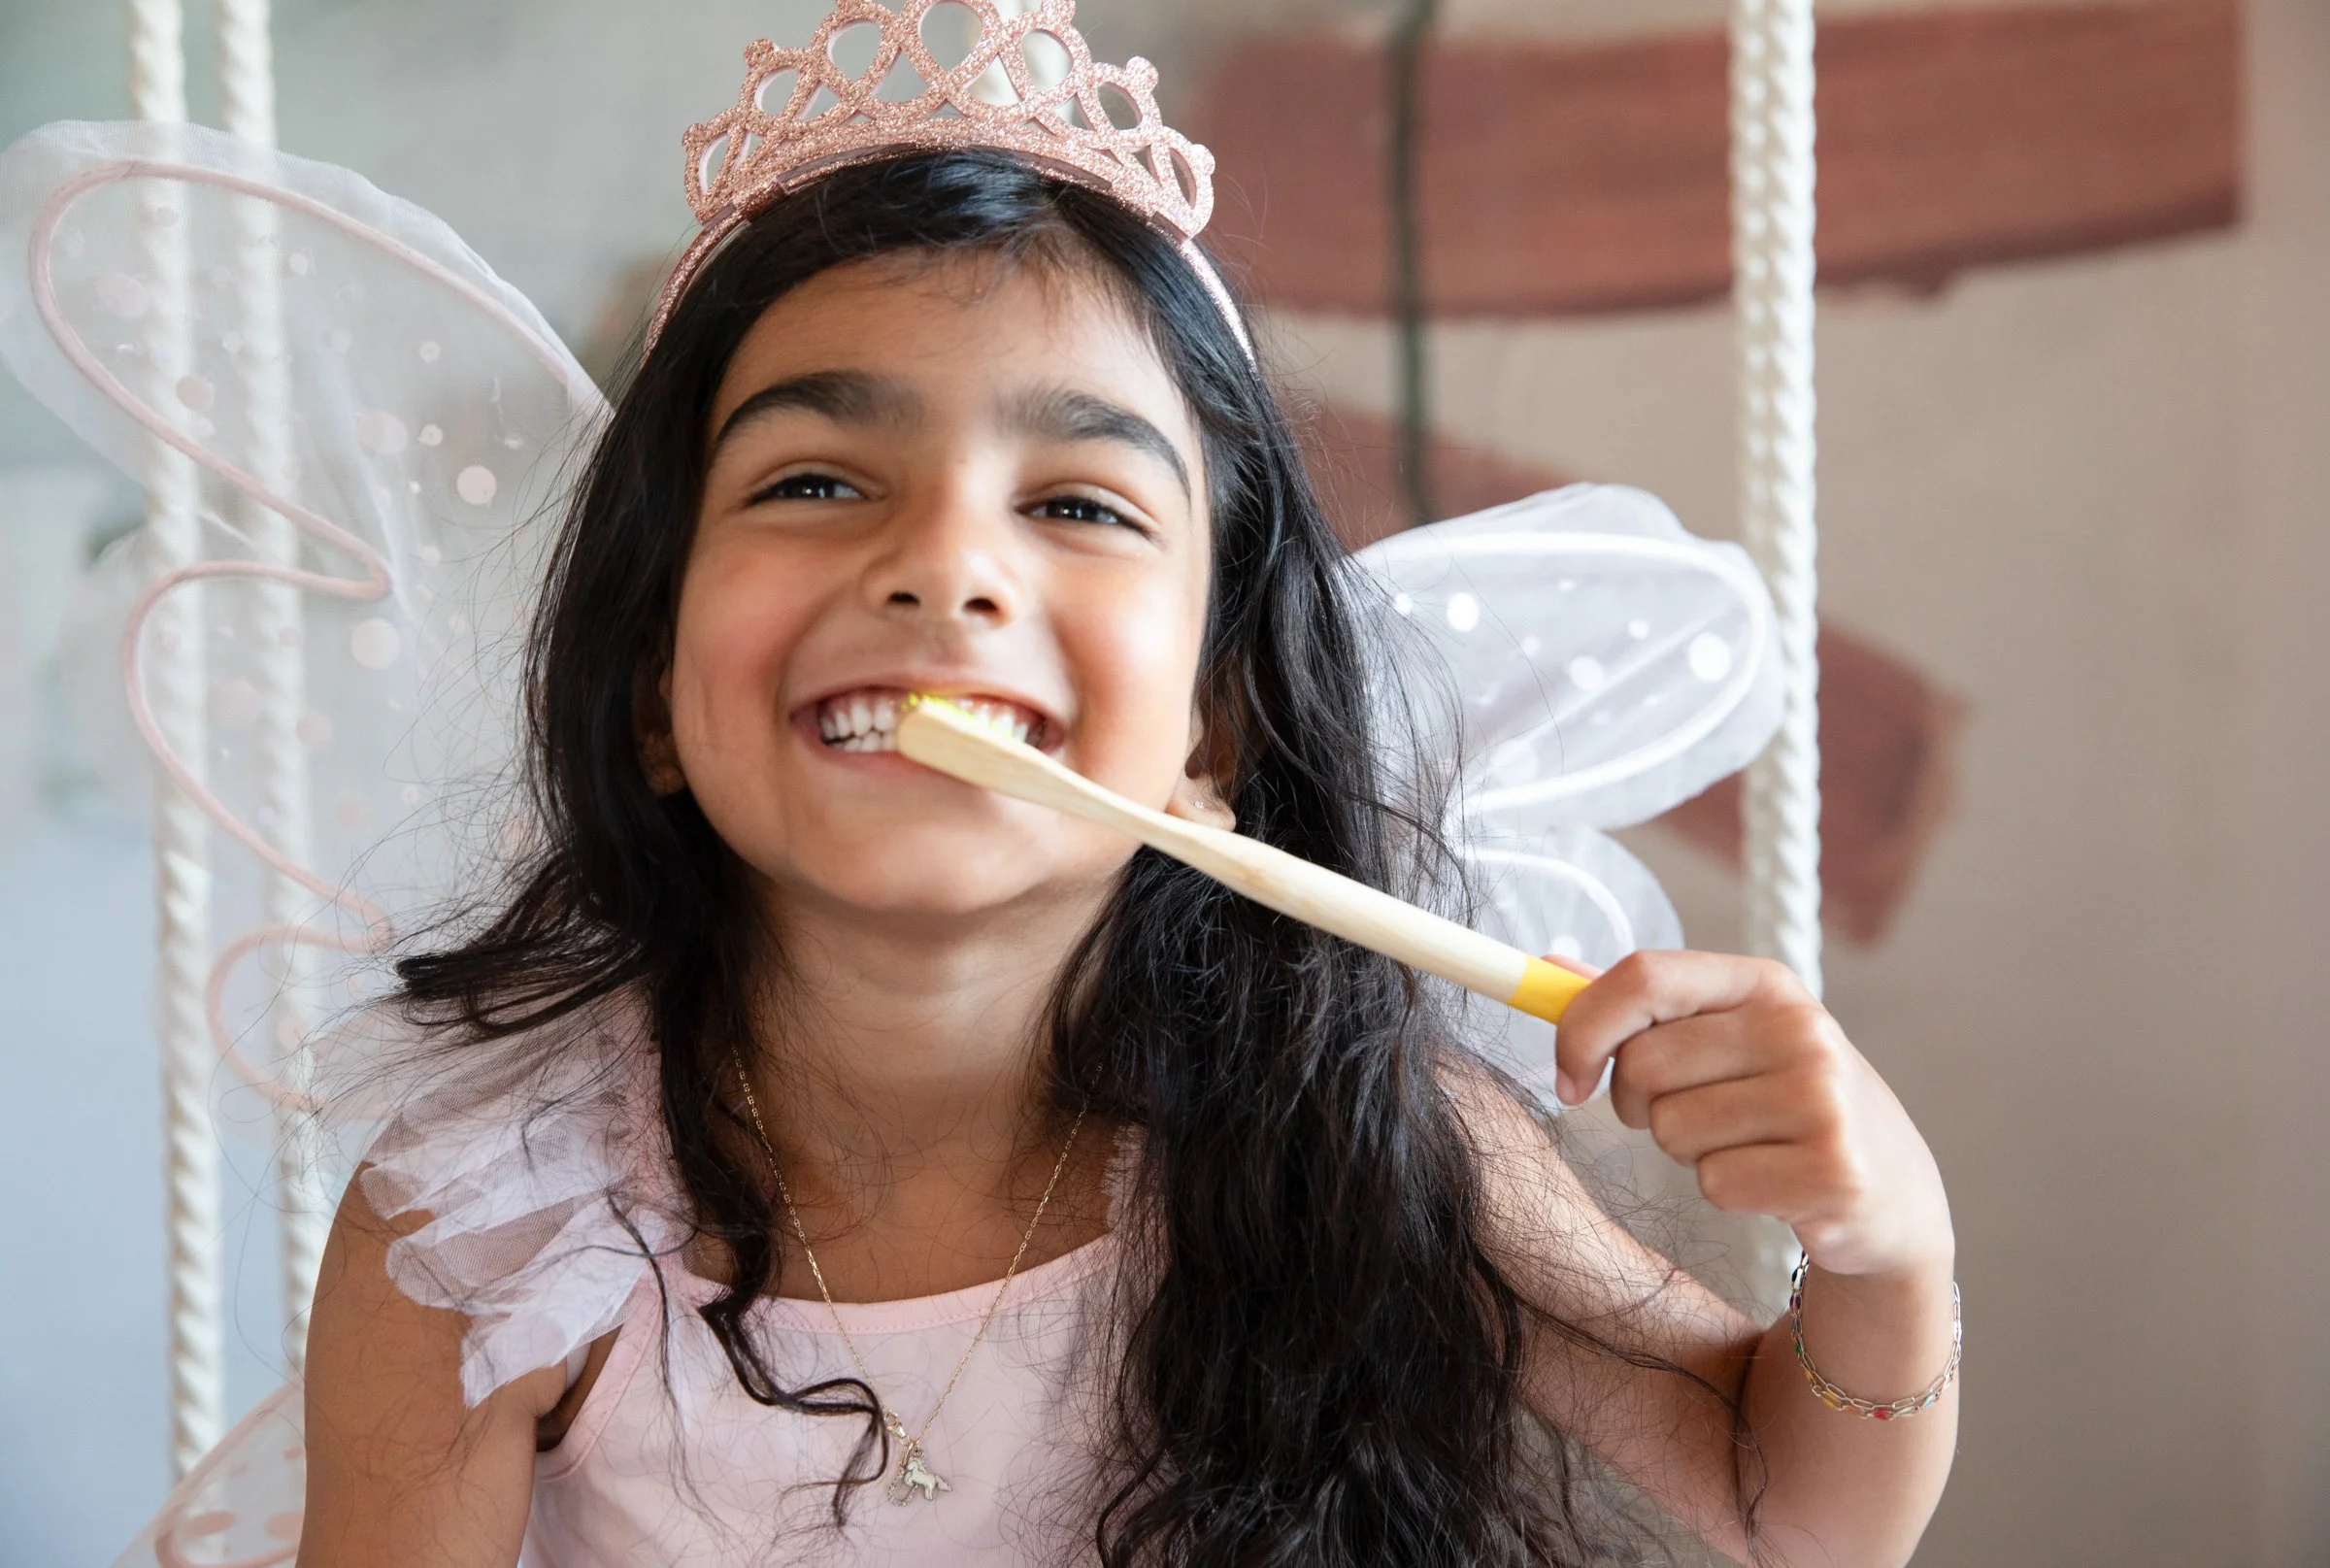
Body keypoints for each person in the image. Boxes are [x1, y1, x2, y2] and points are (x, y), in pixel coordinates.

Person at [5, 6, 1957, 1564]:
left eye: (1080, 502)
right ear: (654, 698)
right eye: (814, 480)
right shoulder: (480, 1239)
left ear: (1211, 732)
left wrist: (1889, 1246)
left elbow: (1795, 1509)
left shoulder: (1367, 1135)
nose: (945, 564)